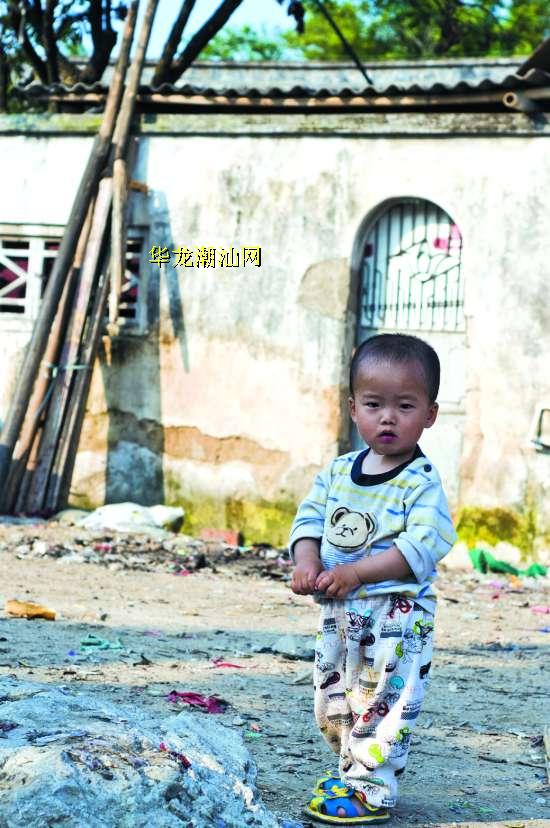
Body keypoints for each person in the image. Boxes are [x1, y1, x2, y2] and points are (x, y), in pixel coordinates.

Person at [289, 333, 457, 825]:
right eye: (374, 404)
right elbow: (309, 521)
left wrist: (356, 572)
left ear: (429, 414)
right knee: (334, 700)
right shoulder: (338, 472)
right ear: (352, 409)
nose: (388, 418)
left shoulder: (421, 482)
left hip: (397, 617)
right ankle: (351, 771)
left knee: (384, 702)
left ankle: (371, 787)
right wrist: (306, 562)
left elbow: (420, 547)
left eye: (405, 406)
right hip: (339, 612)